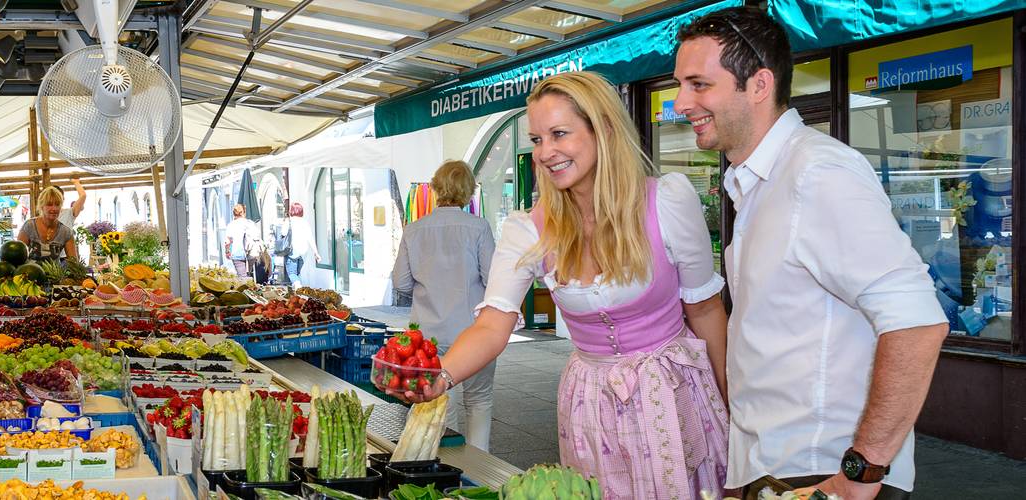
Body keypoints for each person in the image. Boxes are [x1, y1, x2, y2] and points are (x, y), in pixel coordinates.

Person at [393, 72, 731, 500]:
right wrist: (441, 377)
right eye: (536, 139)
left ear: (603, 130)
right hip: (590, 403)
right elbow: (492, 326)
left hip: (671, 395)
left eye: (559, 134)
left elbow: (705, 310)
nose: (545, 152)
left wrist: (729, 410)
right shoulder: (529, 228)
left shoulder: (667, 200)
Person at [672, 8, 947, 499]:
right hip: (773, 471)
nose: (679, 102)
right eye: (680, 84)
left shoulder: (817, 173)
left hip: (818, 475)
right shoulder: (758, 181)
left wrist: (860, 474)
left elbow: (916, 323)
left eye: (698, 84)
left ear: (759, 84)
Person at [390, 160, 496, 450]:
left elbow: (400, 283)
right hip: (474, 332)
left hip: (427, 335)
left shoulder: (414, 230)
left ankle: (439, 465)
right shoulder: (479, 228)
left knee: (436, 402)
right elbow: (493, 279)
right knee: (479, 400)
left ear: (436, 188)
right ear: (468, 191)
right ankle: (478, 468)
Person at [16, 185, 79, 265]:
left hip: (55, 277)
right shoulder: (29, 226)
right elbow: (17, 256)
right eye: (49, 204)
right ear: (41, 206)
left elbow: (74, 264)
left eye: (57, 204)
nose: (54, 209)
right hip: (28, 275)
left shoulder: (66, 232)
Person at [280, 202, 318, 287]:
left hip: (291, 252)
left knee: (292, 274)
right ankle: (297, 294)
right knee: (297, 274)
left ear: (291, 211)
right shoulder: (305, 222)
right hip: (303, 252)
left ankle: (299, 289)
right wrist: (316, 252)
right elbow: (310, 238)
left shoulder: (289, 221)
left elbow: (283, 232)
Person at [225, 203, 259, 278]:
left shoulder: (231, 225)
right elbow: (257, 237)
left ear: (234, 213)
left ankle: (246, 286)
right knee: (250, 275)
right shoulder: (250, 223)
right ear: (244, 212)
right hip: (251, 252)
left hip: (237, 252)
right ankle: (250, 284)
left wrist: (227, 251)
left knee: (242, 277)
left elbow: (228, 241)